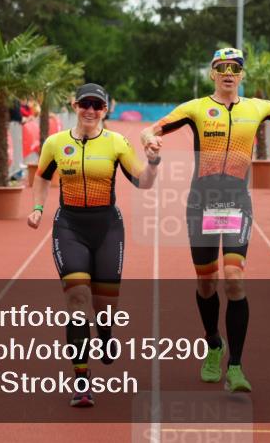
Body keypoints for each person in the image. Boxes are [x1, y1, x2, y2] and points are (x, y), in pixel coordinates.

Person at [140, 47, 270, 393]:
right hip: (201, 202)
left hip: (235, 201)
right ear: (213, 74)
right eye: (222, 67)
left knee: (233, 279)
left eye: (235, 67)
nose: (229, 72)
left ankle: (236, 365)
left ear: (242, 75)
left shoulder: (258, 108)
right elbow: (151, 129)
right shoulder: (196, 108)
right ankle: (213, 343)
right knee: (207, 283)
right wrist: (151, 142)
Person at [28, 83, 160, 408]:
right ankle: (82, 380)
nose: (90, 110)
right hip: (69, 225)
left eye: (97, 106)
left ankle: (105, 335)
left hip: (107, 227)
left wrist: (154, 164)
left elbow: (142, 182)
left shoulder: (117, 143)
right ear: (74, 105)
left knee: (104, 305)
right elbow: (43, 177)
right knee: (77, 298)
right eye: (85, 104)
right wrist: (38, 208)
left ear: (106, 110)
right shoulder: (56, 143)